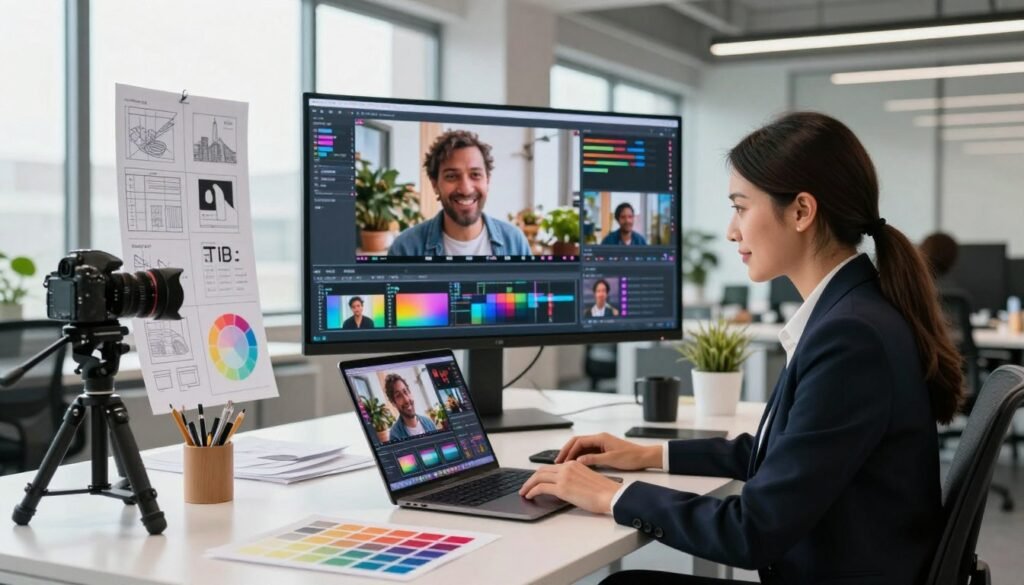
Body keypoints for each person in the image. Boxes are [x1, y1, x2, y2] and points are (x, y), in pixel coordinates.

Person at [519, 112, 963, 584]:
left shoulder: (851, 336)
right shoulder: (855, 311)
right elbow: (785, 452)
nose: (732, 231)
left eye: (741, 207)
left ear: (801, 212)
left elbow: (752, 531)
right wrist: (648, 454)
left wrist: (612, 496)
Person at [389, 130, 531, 257]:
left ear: (487, 181)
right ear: (435, 185)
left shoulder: (515, 243)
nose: (465, 189)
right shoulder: (405, 248)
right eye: (451, 176)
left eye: (475, 174)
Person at [385, 373, 437, 440]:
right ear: (393, 403)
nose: (406, 400)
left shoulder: (429, 423)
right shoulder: (395, 435)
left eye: (405, 391)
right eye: (398, 396)